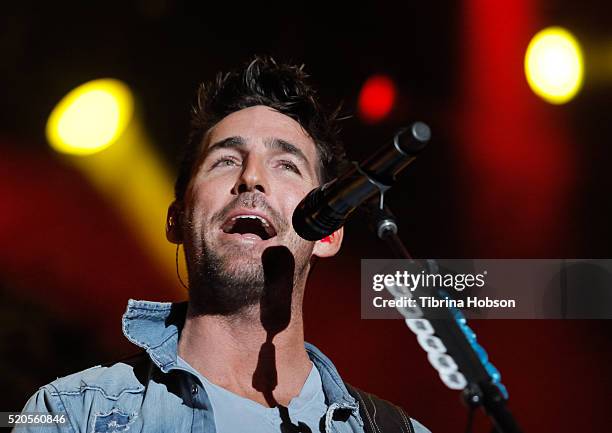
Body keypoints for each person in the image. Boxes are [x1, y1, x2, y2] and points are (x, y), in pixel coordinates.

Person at [17, 57, 430, 433]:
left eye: (286, 164)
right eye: (226, 160)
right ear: (176, 219)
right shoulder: (72, 413)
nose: (252, 177)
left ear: (328, 232)